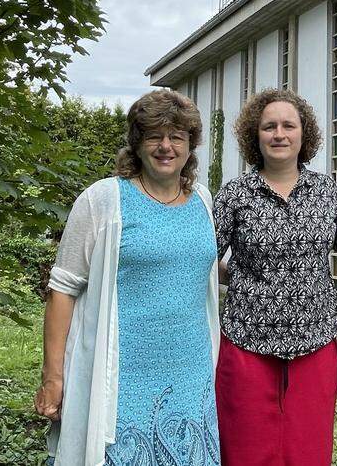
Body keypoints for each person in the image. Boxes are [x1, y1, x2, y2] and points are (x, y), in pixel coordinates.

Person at [35, 89, 221, 466]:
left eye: (177, 137)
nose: (165, 146)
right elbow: (62, 290)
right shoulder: (102, 200)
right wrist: (53, 377)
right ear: (137, 144)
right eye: (155, 135)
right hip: (120, 379)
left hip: (191, 373)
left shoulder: (204, 199)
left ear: (190, 146)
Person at [212, 88, 337, 466]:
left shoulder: (327, 192)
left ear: (305, 135)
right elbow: (206, 258)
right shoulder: (235, 195)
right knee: (246, 446)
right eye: (269, 126)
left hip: (316, 338)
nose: (279, 134)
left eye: (289, 125)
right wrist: (238, 274)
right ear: (256, 136)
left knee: (308, 446)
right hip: (246, 340)